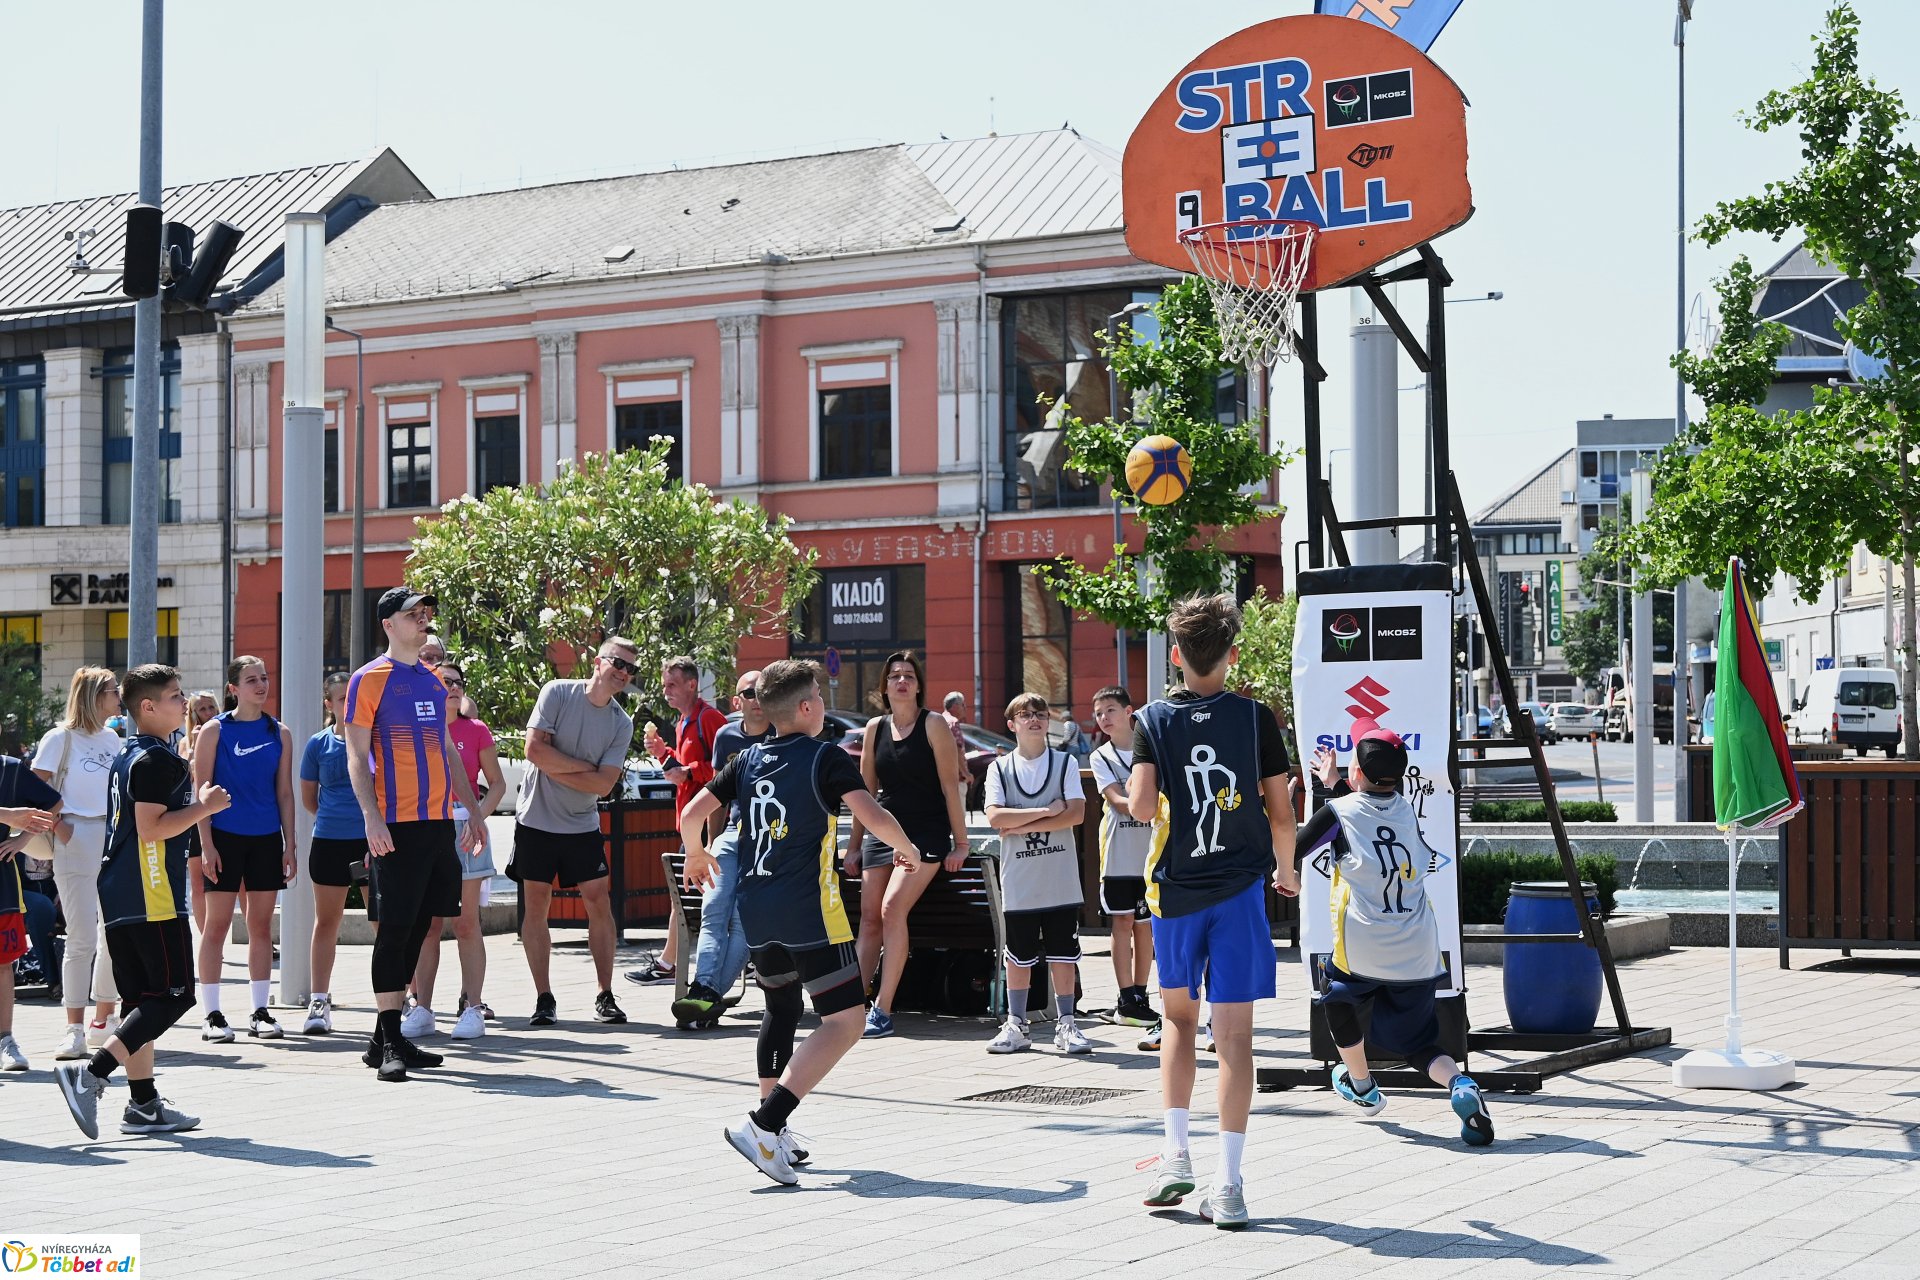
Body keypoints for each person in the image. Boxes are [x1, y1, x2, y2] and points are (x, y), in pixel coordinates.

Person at [679, 658, 926, 1185]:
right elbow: (871, 813)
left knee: (783, 1006)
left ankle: (775, 1135)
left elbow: (692, 813)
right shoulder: (825, 757)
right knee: (847, 1020)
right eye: (818, 691)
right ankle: (765, 1125)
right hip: (810, 911)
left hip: (756, 906)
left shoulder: (745, 759)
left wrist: (695, 855)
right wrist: (908, 849)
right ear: (809, 707)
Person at [1128, 592, 1298, 1230]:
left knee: (1177, 1021)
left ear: (1176, 656)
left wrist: (1122, 789)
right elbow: (1282, 812)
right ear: (1231, 655)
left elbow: (1143, 808)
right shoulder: (1257, 720)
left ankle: (1176, 1155)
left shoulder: (1152, 719)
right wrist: (1284, 870)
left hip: (1176, 891)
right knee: (1236, 1039)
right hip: (1239, 892)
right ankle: (1229, 1184)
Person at [56, 663, 230, 1138]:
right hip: (150, 890)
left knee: (140, 1001)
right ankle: (90, 1075)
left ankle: (144, 1104)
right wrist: (205, 808)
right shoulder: (155, 759)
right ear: (148, 707)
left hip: (121, 889)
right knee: (174, 995)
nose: (184, 703)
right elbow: (153, 828)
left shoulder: (131, 753)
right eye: (175, 696)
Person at [1298, 724, 1494, 1148]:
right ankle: (1460, 1084)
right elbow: (1362, 812)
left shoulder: (1340, 812)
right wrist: (1334, 786)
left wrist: (1281, 873)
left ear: (1355, 774)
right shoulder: (1404, 808)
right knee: (1419, 1043)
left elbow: (1304, 842)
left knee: (1334, 995)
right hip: (1419, 948)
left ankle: (1363, 1086)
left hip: (1364, 947)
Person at [343, 588, 484, 1082]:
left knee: (424, 926)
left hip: (438, 822)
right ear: (388, 623)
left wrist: (474, 811)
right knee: (396, 928)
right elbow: (356, 755)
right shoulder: (368, 679)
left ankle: (386, 1038)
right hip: (395, 823)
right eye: (413, 614)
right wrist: (371, 816)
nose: (423, 620)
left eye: (426, 614)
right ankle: (388, 1037)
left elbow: (446, 748)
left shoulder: (429, 679)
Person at [511, 638, 638, 1027]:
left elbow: (603, 786)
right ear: (598, 661)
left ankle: (605, 994)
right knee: (537, 905)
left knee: (598, 902)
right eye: (619, 663)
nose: (624, 673)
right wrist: (586, 767)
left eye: (632, 669)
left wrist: (558, 763)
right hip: (535, 820)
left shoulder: (621, 722)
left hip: (582, 824)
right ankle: (544, 998)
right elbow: (533, 751)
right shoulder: (558, 693)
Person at [845, 651, 969, 1039]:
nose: (902, 681)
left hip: (926, 833)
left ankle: (882, 1010)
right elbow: (865, 793)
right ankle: (851, 1006)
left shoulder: (933, 724)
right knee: (868, 918)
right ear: (884, 685)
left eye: (909, 676)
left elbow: (952, 787)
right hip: (884, 832)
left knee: (891, 908)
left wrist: (961, 843)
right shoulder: (874, 728)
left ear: (918, 686)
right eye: (895, 675)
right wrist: (853, 847)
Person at [192, 657, 296, 1042]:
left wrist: (290, 845)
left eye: (265, 678)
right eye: (251, 680)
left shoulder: (279, 732)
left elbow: (284, 793)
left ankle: (259, 1010)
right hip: (224, 837)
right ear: (233, 688)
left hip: (267, 839)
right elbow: (200, 792)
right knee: (216, 926)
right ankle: (213, 1014)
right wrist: (206, 845)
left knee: (261, 927)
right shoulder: (214, 731)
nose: (261, 685)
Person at [983, 692, 1091, 1055]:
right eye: (1025, 714)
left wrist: (1018, 823)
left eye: (1040, 714)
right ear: (1011, 724)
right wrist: (1046, 811)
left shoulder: (1064, 764)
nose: (1034, 719)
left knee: (1063, 953)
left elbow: (1076, 814)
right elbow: (996, 817)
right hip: (1020, 880)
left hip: (1058, 878)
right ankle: (1016, 1024)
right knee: (1018, 954)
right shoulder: (998, 768)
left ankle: (1067, 1024)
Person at [405, 659, 506, 1041]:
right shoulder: (417, 729)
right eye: (444, 681)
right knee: (428, 925)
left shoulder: (476, 730)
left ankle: (473, 1007)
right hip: (428, 826)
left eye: (458, 682)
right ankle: (423, 1009)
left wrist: (477, 818)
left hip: (467, 829)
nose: (453, 687)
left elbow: (496, 784)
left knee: (466, 924)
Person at [669, 669, 773, 1028]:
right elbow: (715, 800)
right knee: (714, 911)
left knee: (743, 924)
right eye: (749, 692)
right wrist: (710, 845)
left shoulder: (783, 734)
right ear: (737, 701)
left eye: (763, 692)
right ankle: (704, 992)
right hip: (731, 835)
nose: (757, 699)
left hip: (768, 843)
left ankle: (706, 996)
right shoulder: (727, 736)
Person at [34, 667, 126, 1059]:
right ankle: (73, 1027)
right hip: (77, 834)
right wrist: (60, 826)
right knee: (81, 936)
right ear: (93, 695)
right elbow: (33, 788)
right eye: (111, 690)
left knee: (115, 934)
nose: (118, 695)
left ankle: (104, 1019)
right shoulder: (59, 738)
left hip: (112, 836)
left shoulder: (113, 738)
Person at [629, 656, 729, 986]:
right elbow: (687, 770)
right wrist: (662, 753)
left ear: (691, 684)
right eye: (663, 685)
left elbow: (725, 770)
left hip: (707, 823)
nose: (666, 690)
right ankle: (669, 961)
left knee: (688, 892)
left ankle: (670, 963)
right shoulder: (685, 721)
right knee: (683, 891)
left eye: (672, 684)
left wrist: (687, 771)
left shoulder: (709, 718)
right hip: (691, 823)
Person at [300, 672, 371, 1035]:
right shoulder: (318, 744)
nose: (348, 704)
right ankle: (319, 1000)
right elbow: (309, 799)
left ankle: (400, 998)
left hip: (373, 841)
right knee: (327, 922)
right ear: (329, 703)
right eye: (341, 698)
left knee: (384, 921)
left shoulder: (376, 740)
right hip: (329, 840)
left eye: (353, 697)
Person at [1089, 686, 1158, 1029]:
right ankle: (1125, 995)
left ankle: (1142, 994)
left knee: (1146, 926)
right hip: (1117, 854)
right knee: (1122, 922)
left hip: (1149, 852)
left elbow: (1156, 798)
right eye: (1099, 713)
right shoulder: (1100, 756)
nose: (1104, 718)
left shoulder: (1150, 748)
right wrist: (1137, 795)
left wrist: (1138, 794)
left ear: (1129, 711)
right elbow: (1117, 801)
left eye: (1110, 710)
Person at [0, 757, 62, 1072]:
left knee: (3, 965)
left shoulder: (10, 770)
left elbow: (54, 803)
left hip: (2, 885)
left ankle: (6, 1040)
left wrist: (23, 839)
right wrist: (7, 815)